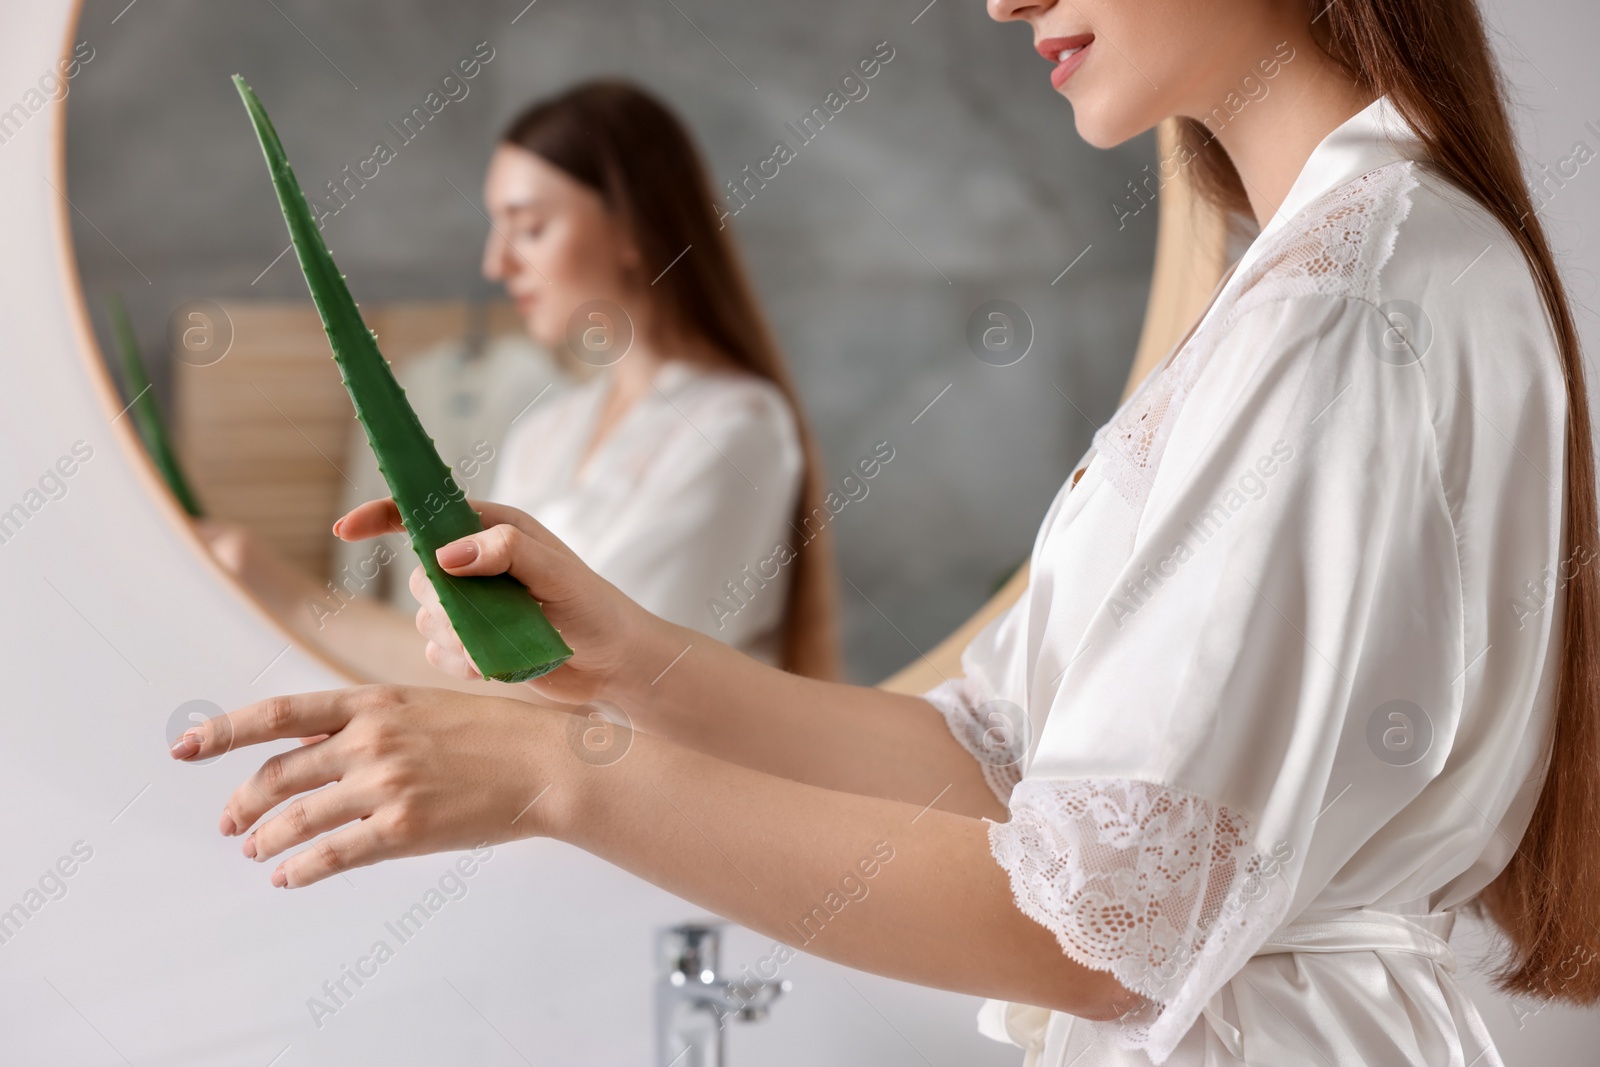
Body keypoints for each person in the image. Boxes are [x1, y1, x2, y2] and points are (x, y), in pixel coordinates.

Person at [171, 2, 1600, 1064]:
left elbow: (1087, 924)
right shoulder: (1305, 281)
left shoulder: (1345, 307)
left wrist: (567, 772)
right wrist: (637, 661)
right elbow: (1001, 773)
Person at [200, 80, 839, 685]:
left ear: (633, 229)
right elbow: (482, 666)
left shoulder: (738, 430)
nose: (496, 263)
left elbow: (588, 685)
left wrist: (279, 589)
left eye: (529, 227)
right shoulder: (546, 427)